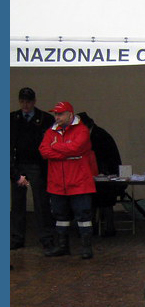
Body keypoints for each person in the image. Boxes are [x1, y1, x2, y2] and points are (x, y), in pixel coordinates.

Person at [38, 101, 98, 259]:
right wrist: (67, 151)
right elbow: (44, 151)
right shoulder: (51, 131)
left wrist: (56, 147)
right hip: (58, 183)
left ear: (70, 114)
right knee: (60, 216)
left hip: (79, 182)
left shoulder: (82, 130)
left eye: (60, 114)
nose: (57, 117)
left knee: (83, 216)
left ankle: (86, 248)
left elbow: (77, 148)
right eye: (56, 114)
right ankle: (63, 246)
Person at [11, 87, 56, 250]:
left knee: (41, 203)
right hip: (19, 164)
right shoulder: (13, 118)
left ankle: (46, 237)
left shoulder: (45, 119)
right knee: (17, 204)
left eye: (28, 102)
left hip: (37, 165)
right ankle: (17, 237)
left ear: (34, 102)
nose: (25, 105)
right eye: (22, 101)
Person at [78, 111, 123, 237]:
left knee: (101, 200)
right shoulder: (99, 134)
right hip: (102, 177)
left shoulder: (99, 137)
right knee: (101, 201)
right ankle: (102, 226)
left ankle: (98, 227)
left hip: (106, 178)